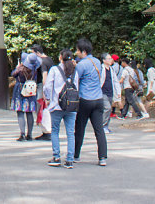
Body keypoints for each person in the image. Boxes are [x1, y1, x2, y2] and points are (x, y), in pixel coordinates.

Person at [73, 38, 108, 167]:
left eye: (78, 50)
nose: (76, 53)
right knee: (99, 130)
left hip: (85, 99)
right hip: (98, 99)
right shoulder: (97, 62)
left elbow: (76, 81)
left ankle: (76, 155)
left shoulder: (81, 65)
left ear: (83, 51)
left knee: (80, 128)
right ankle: (102, 157)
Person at [44, 49, 78, 168]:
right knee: (70, 133)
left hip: (57, 105)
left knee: (55, 131)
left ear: (60, 58)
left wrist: (48, 99)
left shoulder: (55, 69)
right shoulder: (75, 71)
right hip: (72, 106)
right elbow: (76, 87)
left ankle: (56, 157)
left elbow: (48, 86)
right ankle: (69, 159)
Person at [12, 62, 38, 140]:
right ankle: (29, 134)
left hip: (19, 90)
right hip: (30, 91)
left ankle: (22, 134)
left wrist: (17, 67)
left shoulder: (19, 70)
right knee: (29, 113)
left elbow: (13, 74)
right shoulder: (34, 70)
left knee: (20, 112)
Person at [100, 53, 120, 134]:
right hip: (102, 92)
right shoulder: (101, 69)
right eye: (108, 58)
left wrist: (118, 92)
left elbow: (115, 81)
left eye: (110, 58)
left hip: (110, 92)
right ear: (104, 60)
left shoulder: (111, 69)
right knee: (107, 108)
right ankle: (102, 126)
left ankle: (106, 126)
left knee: (109, 109)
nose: (110, 60)